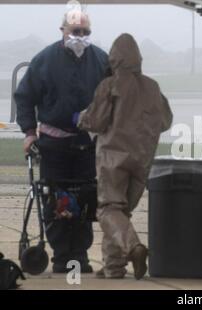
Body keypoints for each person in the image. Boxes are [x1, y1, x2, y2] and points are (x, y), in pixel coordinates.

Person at [14, 11, 109, 273]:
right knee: (58, 200)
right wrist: (29, 132)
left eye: (84, 33)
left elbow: (113, 99)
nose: (79, 37)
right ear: (62, 30)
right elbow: (24, 97)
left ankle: (79, 255)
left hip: (87, 145)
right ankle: (61, 256)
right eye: (75, 32)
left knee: (86, 200)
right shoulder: (43, 60)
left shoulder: (101, 60)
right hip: (54, 145)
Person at [76, 33, 173, 279]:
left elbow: (96, 121)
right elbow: (165, 121)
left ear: (114, 59)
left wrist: (80, 118)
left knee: (108, 209)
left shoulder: (110, 85)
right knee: (120, 212)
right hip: (142, 158)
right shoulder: (153, 87)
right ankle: (113, 267)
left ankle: (134, 248)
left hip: (113, 157)